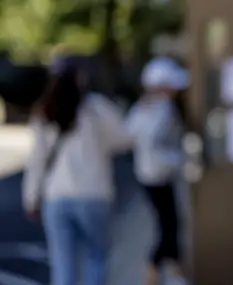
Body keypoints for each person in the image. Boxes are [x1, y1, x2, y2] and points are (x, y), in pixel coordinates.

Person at [22, 55, 131, 285]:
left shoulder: (45, 112)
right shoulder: (96, 108)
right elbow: (124, 138)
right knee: (97, 256)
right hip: (93, 194)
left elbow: (37, 160)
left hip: (56, 196)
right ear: (80, 77)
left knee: (63, 263)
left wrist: (31, 196)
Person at [126, 56, 189, 285]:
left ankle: (174, 272)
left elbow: (129, 132)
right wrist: (181, 159)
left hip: (148, 174)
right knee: (169, 225)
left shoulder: (144, 105)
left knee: (169, 222)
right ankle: (153, 273)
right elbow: (151, 141)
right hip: (158, 175)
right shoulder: (163, 107)